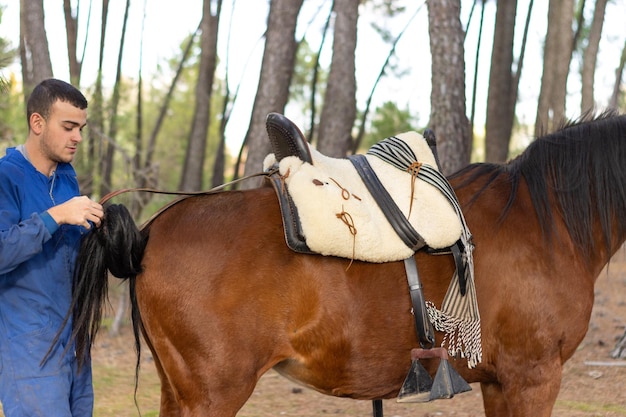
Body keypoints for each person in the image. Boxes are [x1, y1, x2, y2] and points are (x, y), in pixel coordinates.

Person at [0, 78, 104, 416]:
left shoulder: (66, 178)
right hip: (29, 346)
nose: (77, 137)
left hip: (74, 342)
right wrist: (57, 215)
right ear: (38, 122)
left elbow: (69, 254)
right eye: (69, 126)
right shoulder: (6, 177)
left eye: (81, 128)